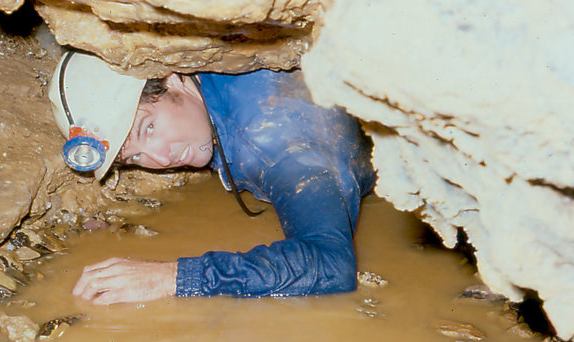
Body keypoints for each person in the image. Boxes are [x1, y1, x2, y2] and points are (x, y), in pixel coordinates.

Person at [48, 51, 377, 305]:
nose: (161, 160)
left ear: (173, 80)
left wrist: (172, 278)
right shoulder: (213, 81)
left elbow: (331, 265)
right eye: (135, 157)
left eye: (149, 128)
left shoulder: (273, 144)